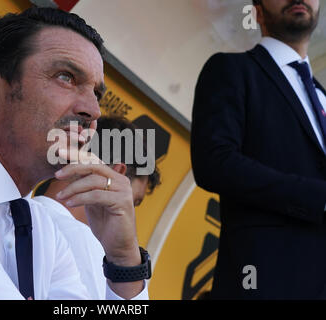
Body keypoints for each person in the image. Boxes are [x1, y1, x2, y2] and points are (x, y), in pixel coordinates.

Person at [0, 8, 150, 299]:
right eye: (66, 77)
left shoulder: (43, 228)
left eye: (97, 93)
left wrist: (123, 261)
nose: (93, 110)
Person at [191, 0, 326, 299]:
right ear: (257, 9)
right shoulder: (231, 69)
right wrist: (318, 197)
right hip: (264, 281)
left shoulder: (323, 98)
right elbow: (214, 161)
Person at [32, 115, 161, 299]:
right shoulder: (88, 245)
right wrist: (124, 260)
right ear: (116, 173)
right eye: (131, 203)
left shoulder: (11, 211)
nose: (129, 216)